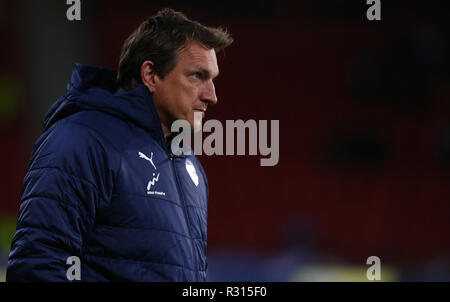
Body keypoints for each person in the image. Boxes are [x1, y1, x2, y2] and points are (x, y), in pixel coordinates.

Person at [6, 8, 232, 282]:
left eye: (213, 80)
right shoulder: (82, 140)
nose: (212, 96)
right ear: (150, 75)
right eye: (197, 76)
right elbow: (37, 266)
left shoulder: (187, 164)